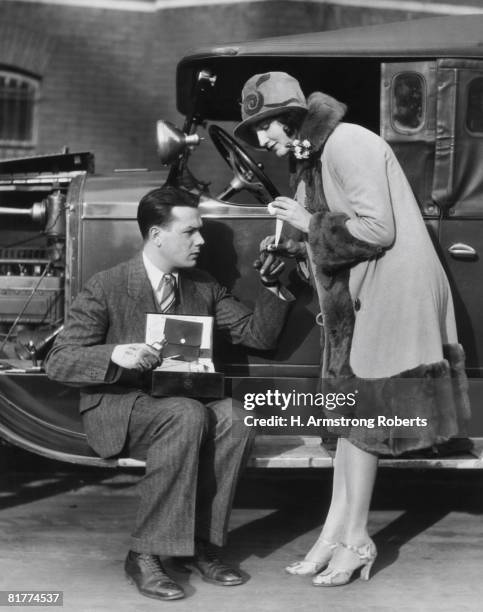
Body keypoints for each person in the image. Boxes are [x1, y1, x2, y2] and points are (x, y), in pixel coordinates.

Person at [234, 72, 470, 587]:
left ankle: (357, 538)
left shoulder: (348, 143)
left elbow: (377, 228)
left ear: (293, 116)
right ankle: (334, 531)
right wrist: (293, 249)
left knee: (361, 419)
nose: (260, 140)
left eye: (265, 125)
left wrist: (305, 224)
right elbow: (335, 230)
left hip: (392, 290)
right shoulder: (314, 157)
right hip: (363, 292)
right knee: (347, 420)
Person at [44, 185, 293, 602]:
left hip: (180, 405)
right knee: (187, 414)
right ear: (157, 235)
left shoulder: (202, 286)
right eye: (190, 232)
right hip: (121, 408)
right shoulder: (107, 285)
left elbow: (257, 336)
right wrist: (115, 354)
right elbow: (59, 360)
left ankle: (200, 547)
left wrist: (276, 288)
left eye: (201, 232)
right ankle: (145, 553)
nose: (200, 241)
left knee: (237, 416)